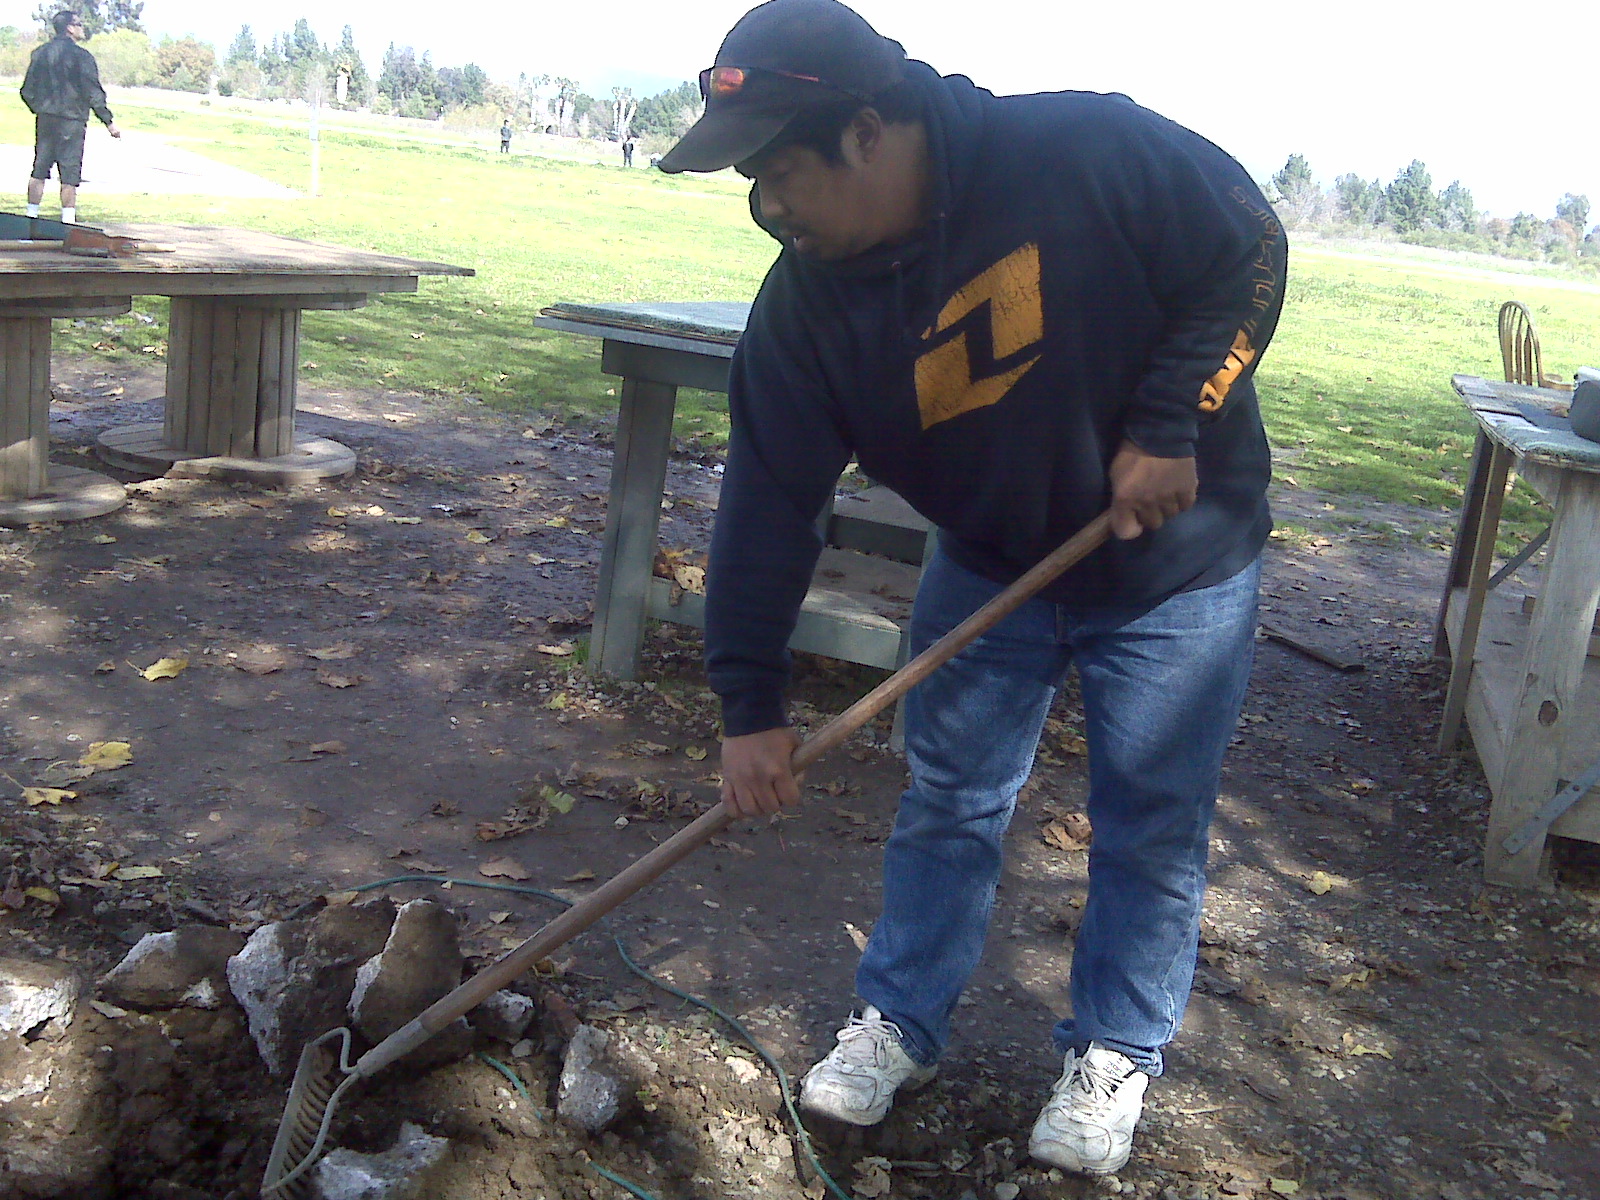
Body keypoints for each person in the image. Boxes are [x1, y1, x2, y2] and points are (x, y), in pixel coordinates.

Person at [658, 0, 1285, 1178]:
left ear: (866, 132)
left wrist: (1171, 419)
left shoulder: (1082, 151)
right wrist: (749, 704)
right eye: (751, 184)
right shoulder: (804, 308)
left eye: (780, 173)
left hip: (1174, 565)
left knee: (1149, 824)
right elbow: (767, 505)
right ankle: (900, 1018)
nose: (769, 209)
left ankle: (1113, 1051)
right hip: (991, 556)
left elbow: (1246, 249)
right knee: (948, 797)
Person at [20, 9, 121, 226]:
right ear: (69, 28)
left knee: (39, 169)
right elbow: (92, 92)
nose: (82, 28)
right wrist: (108, 121)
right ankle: (67, 224)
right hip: (72, 122)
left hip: (46, 119)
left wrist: (40, 108)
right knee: (69, 174)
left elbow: (27, 90)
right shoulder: (82, 57)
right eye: (79, 24)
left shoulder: (40, 53)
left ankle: (30, 220)